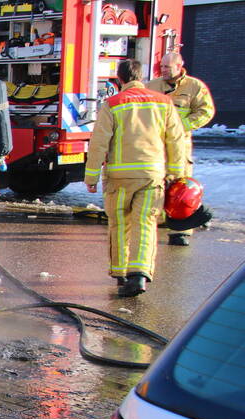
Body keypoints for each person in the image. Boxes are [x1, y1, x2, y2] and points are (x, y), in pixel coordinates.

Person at [84, 59, 185, 297]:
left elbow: (99, 143)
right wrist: (177, 174)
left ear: (119, 79)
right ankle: (139, 274)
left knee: (119, 224)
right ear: (142, 76)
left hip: (120, 177)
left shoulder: (113, 104)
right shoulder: (164, 103)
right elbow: (176, 140)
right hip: (152, 176)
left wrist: (91, 176)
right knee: (145, 223)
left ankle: (119, 272)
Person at [145, 51, 215, 246]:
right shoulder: (152, 86)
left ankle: (180, 232)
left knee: (181, 190)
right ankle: (158, 223)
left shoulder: (194, 87)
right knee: (157, 188)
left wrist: (181, 125)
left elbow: (206, 111)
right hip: (157, 147)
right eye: (162, 66)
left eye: (167, 66)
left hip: (180, 148)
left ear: (179, 66)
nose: (163, 70)